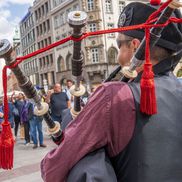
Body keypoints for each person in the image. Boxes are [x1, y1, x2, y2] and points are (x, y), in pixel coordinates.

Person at [41, 2, 182, 182]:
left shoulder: (114, 95)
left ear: (134, 46)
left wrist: (72, 123)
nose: (118, 56)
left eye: (119, 46)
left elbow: (55, 166)